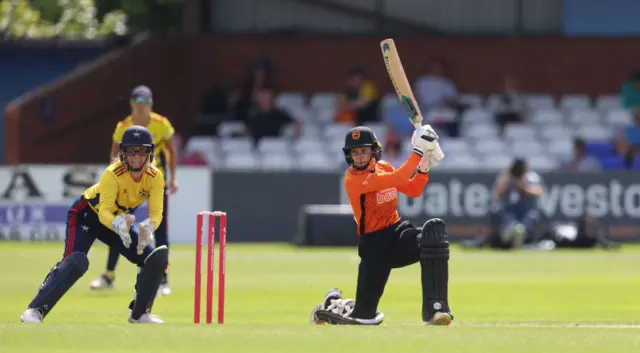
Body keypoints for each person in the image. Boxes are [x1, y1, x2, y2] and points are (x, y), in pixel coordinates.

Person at [21, 126, 167, 324]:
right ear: (123, 152)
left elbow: (157, 213)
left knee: (153, 259)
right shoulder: (112, 173)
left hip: (117, 220)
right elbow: (105, 212)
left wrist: (149, 227)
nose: (136, 157)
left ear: (149, 152)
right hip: (86, 214)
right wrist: (119, 226)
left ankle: (139, 314)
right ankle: (34, 310)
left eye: (141, 151)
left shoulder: (155, 176)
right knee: (75, 262)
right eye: (131, 151)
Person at [310, 125, 453, 326]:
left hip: (397, 235)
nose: (359, 157)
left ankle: (436, 309)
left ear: (374, 151)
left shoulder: (384, 167)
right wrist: (419, 150)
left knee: (433, 238)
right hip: (374, 247)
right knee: (364, 318)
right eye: (355, 152)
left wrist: (424, 167)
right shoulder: (354, 179)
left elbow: (413, 189)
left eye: (364, 151)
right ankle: (332, 303)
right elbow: (400, 178)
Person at [90, 86, 177, 296]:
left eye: (144, 102)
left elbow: (171, 150)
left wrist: (174, 178)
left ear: (150, 104)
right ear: (131, 104)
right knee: (119, 225)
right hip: (131, 184)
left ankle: (163, 279)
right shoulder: (124, 126)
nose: (140, 106)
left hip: (157, 181)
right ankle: (109, 275)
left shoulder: (161, 124)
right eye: (137, 102)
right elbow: (113, 155)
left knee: (161, 230)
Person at [490, 158, 543, 249]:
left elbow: (538, 192)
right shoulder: (506, 177)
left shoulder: (531, 177)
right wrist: (506, 175)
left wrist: (522, 185)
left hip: (526, 209)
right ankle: (510, 232)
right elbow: (496, 194)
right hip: (510, 209)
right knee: (501, 212)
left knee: (532, 215)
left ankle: (519, 231)